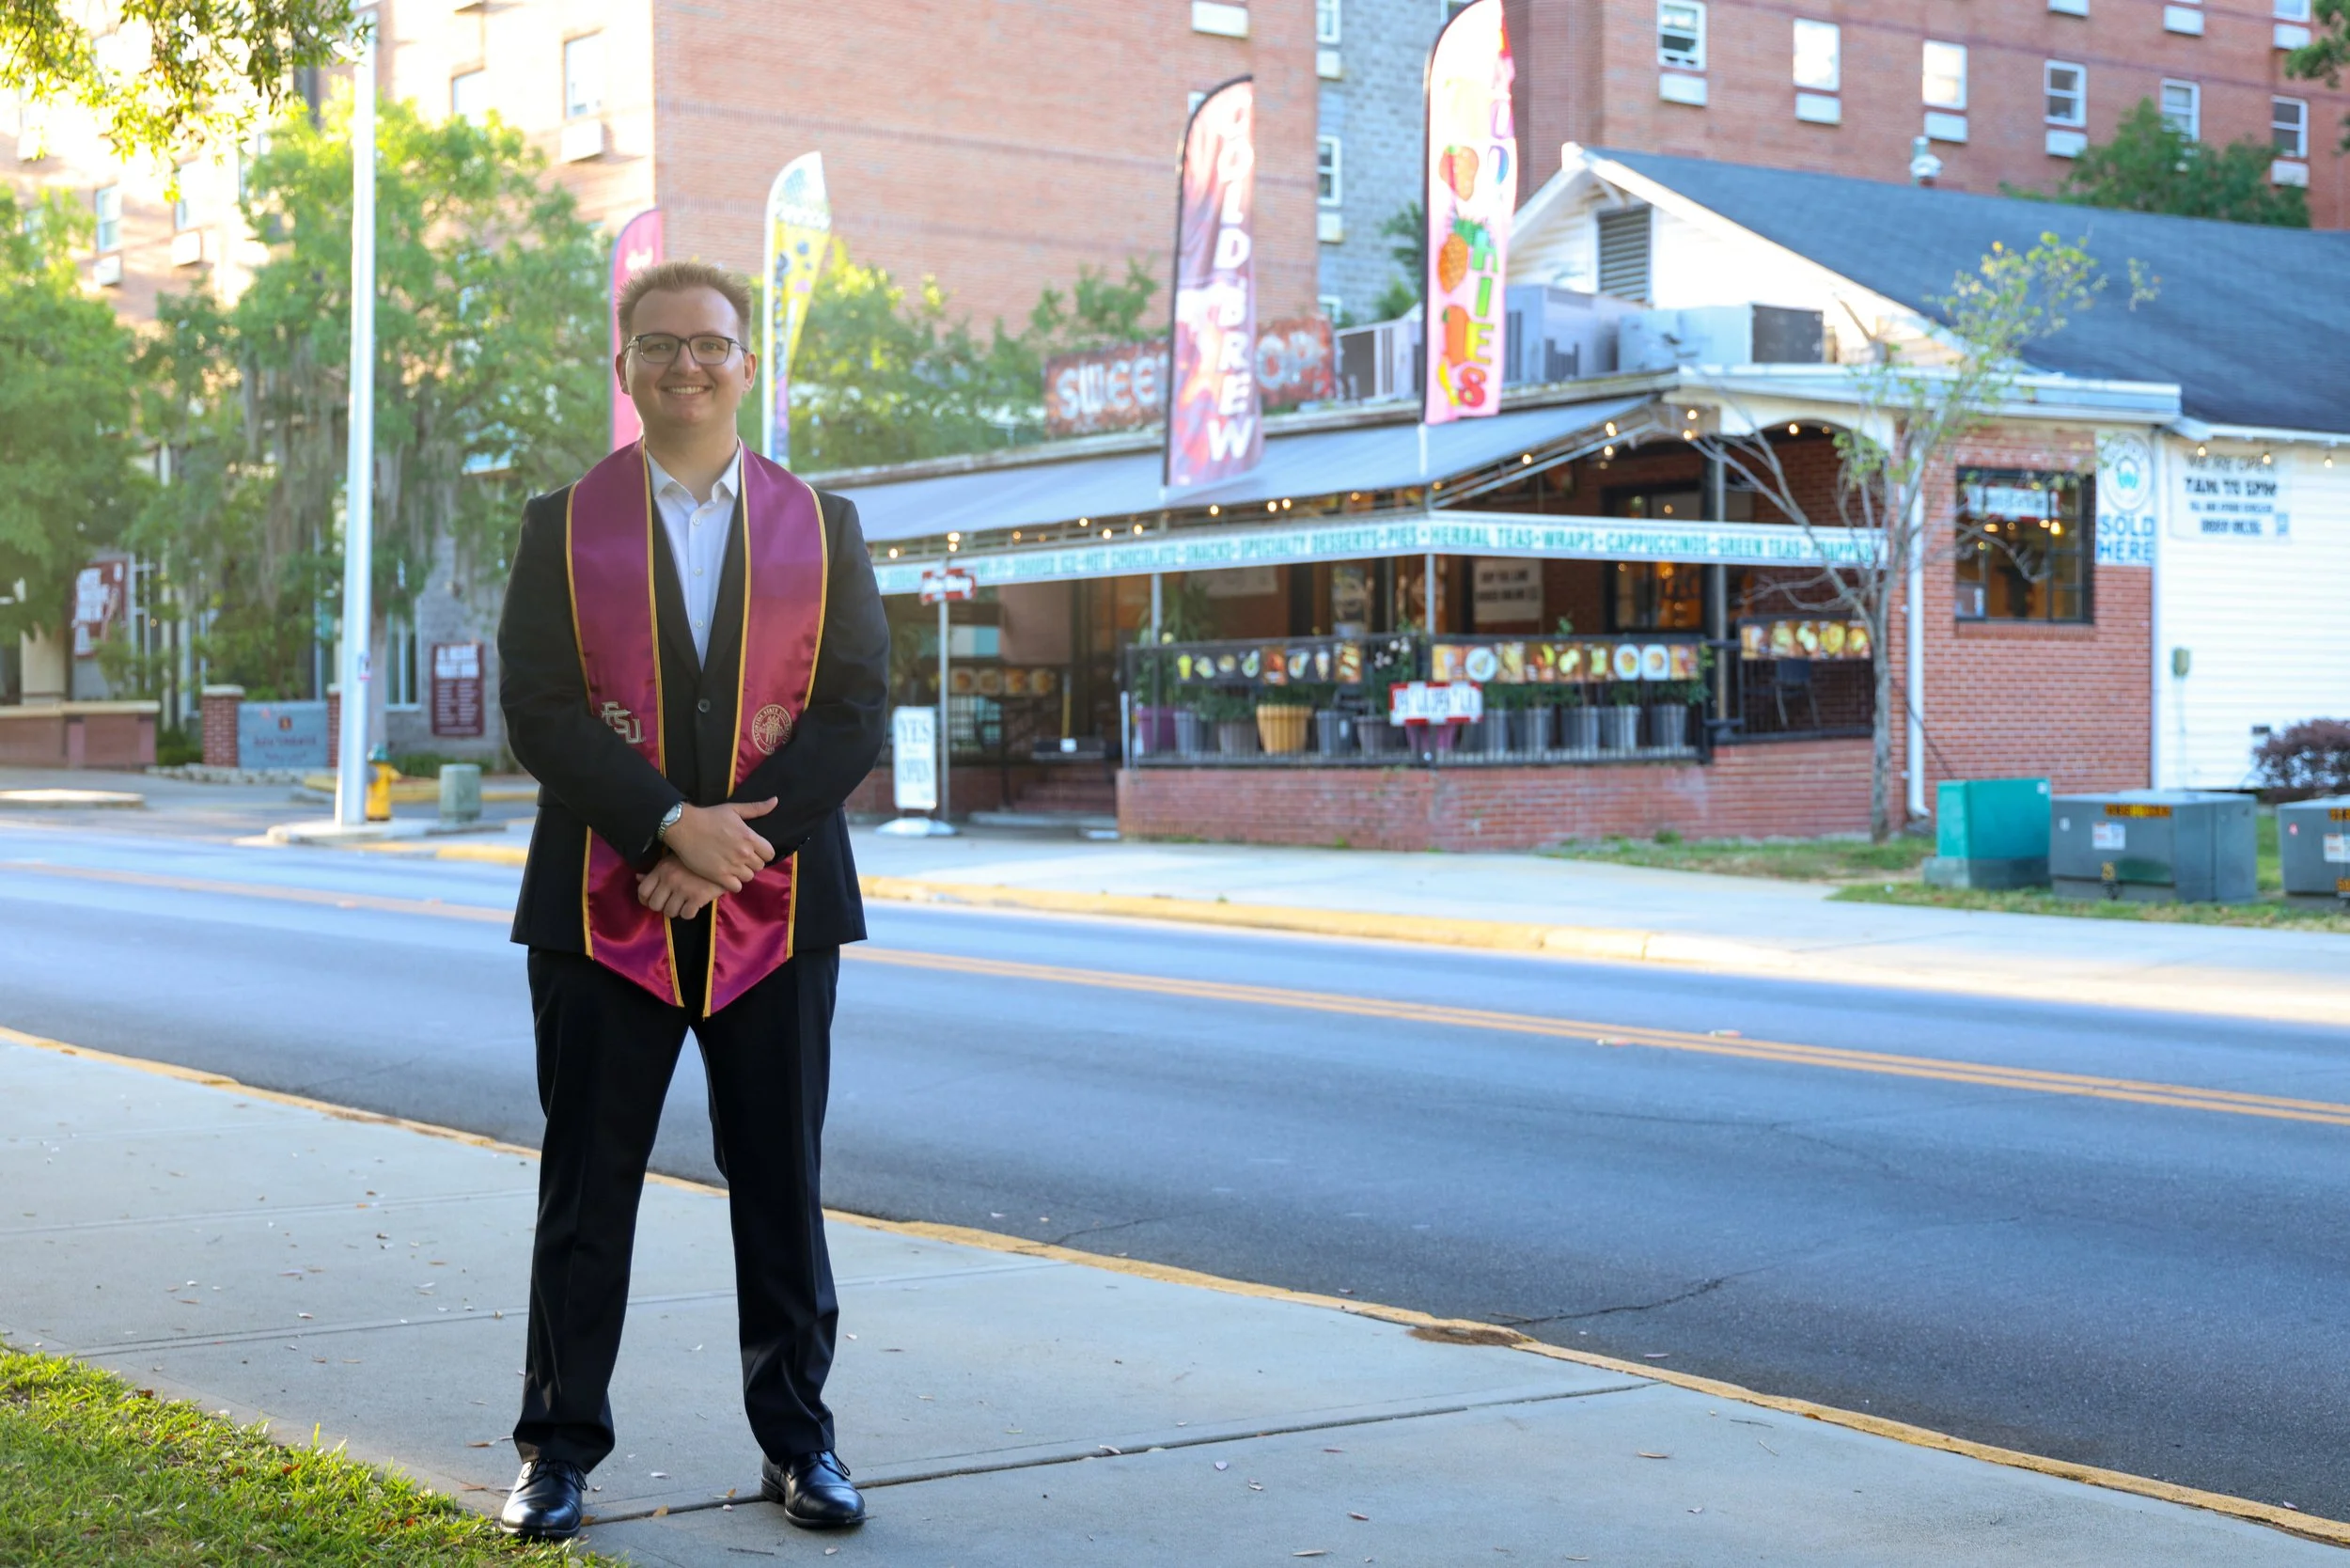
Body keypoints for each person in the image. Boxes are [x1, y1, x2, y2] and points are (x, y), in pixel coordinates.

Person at [491, 259, 888, 1541]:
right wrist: (667, 825)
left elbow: (851, 713)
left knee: (781, 1185)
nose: (685, 366)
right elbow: (540, 712)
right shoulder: (563, 526)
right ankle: (557, 1452)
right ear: (625, 365)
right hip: (603, 908)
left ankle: (801, 1444)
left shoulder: (821, 527)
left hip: (778, 913)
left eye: (709, 344)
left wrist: (731, 850)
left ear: (745, 361)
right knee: (586, 1188)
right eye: (658, 345)